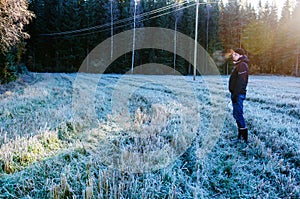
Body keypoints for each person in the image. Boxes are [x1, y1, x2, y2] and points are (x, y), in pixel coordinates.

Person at [229, 48, 249, 143]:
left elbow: (241, 82)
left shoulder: (242, 65)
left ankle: (244, 139)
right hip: (236, 94)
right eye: (233, 54)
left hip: (239, 94)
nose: (233, 55)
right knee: (236, 114)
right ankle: (240, 136)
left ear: (241, 55)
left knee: (239, 115)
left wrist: (236, 95)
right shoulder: (239, 65)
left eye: (236, 54)